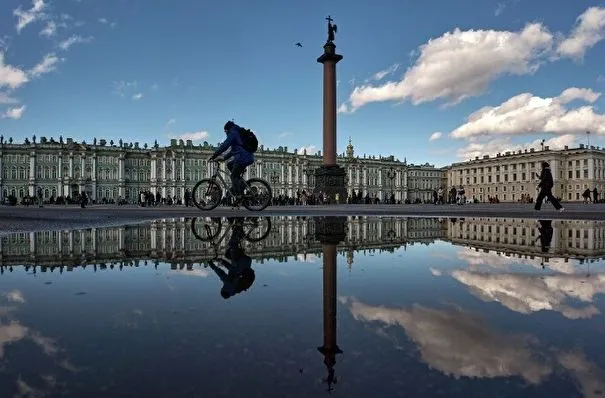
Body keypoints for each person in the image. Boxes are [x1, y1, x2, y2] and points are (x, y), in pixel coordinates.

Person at [207, 218, 255, 299]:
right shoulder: (229, 286)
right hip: (242, 262)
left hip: (245, 263)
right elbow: (221, 274)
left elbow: (232, 269)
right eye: (222, 288)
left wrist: (222, 262)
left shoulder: (236, 287)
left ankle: (238, 230)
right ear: (224, 290)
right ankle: (238, 226)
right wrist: (212, 266)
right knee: (232, 244)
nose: (222, 287)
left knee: (228, 254)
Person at [208, 121, 254, 203]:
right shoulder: (237, 134)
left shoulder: (233, 133)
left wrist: (215, 155)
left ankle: (239, 194)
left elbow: (225, 145)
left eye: (225, 131)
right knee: (229, 165)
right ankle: (239, 182)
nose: (225, 133)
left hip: (243, 157)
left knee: (233, 176)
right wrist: (223, 158)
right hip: (243, 157)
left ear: (227, 129)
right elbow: (233, 151)